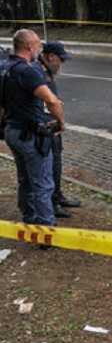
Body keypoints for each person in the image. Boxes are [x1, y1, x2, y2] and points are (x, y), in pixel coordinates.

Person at [0, 30, 66, 234]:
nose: (40, 49)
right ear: (29, 46)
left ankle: (28, 217)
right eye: (38, 45)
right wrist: (61, 122)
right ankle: (46, 229)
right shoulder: (27, 72)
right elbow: (51, 100)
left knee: (24, 178)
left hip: (12, 131)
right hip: (29, 134)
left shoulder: (4, 68)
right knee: (43, 183)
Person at [35, 41, 79, 219]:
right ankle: (52, 204)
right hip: (44, 126)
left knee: (56, 162)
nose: (63, 63)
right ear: (51, 57)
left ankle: (57, 196)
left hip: (52, 125)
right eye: (61, 59)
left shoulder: (47, 70)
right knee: (49, 167)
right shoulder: (37, 71)